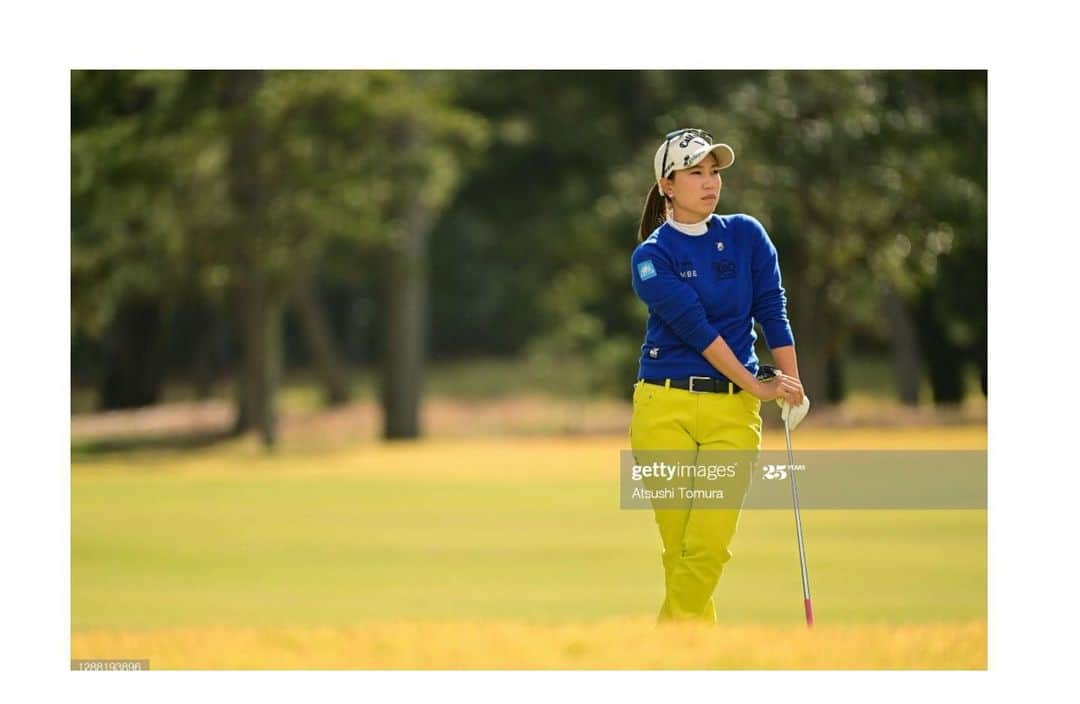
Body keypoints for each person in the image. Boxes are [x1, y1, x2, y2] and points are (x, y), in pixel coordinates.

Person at [629, 127, 810, 623]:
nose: (710, 183)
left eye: (714, 172)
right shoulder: (651, 258)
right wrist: (758, 383)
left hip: (731, 414)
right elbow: (695, 328)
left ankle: (664, 656)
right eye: (695, 172)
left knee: (706, 548)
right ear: (668, 185)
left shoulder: (747, 235)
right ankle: (690, 662)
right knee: (681, 551)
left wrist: (791, 387)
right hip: (662, 409)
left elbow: (772, 309)